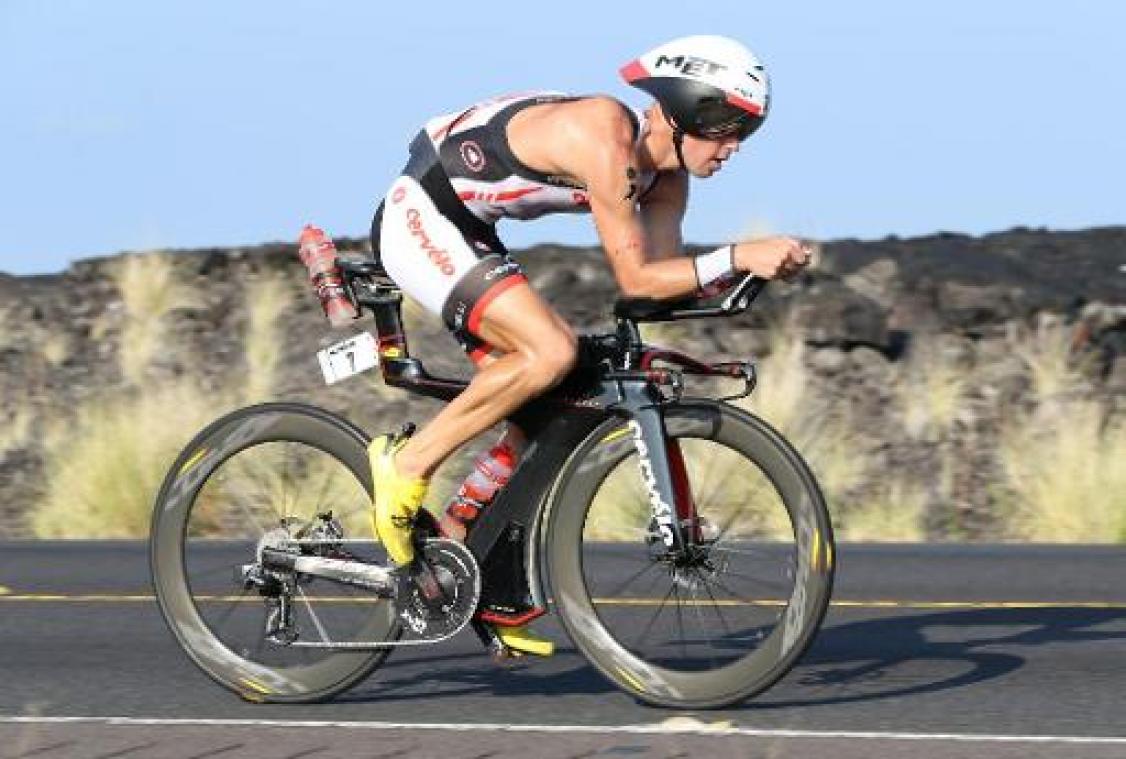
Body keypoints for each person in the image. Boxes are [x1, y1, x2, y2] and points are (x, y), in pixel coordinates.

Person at [368, 34, 811, 656]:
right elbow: (637, 278)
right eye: (730, 128)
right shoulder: (604, 136)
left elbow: (656, 287)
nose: (735, 147)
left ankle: (463, 546)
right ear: (690, 111)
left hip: (476, 232)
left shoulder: (666, 180)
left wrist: (746, 275)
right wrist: (738, 254)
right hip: (424, 214)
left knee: (556, 396)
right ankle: (407, 465)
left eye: (747, 132)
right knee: (550, 352)